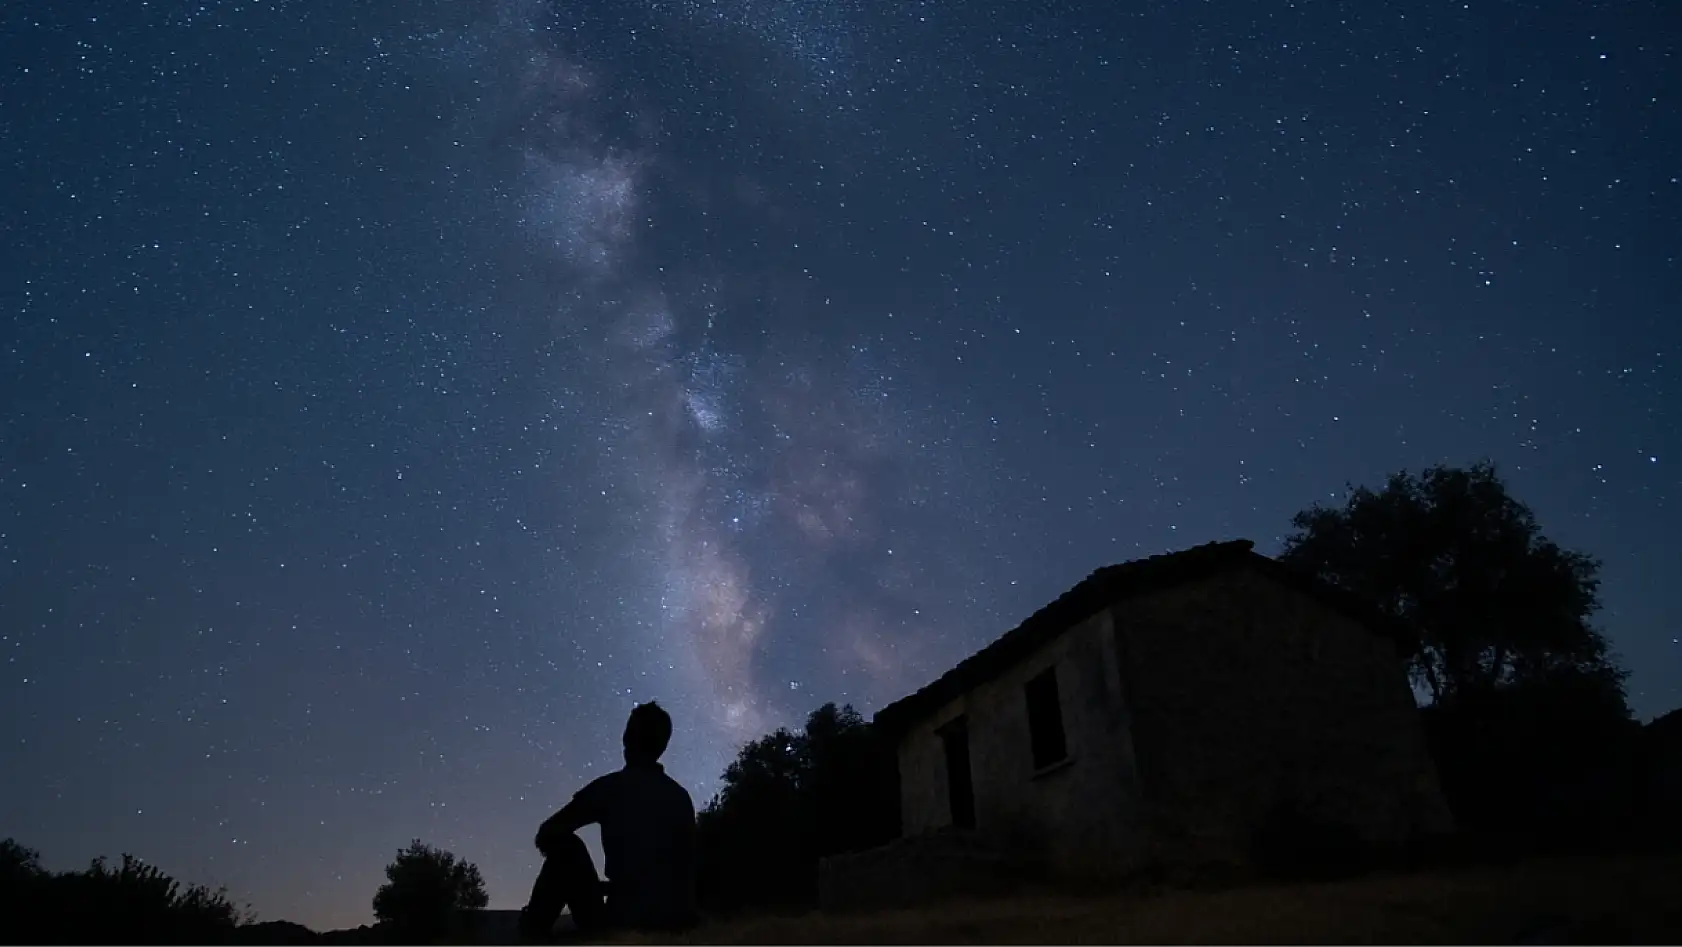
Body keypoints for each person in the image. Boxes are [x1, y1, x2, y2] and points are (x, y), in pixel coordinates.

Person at [519, 701, 698, 942]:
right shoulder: (681, 797)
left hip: (622, 920)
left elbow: (548, 832)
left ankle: (532, 937)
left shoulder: (610, 788)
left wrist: (588, 887)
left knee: (567, 849)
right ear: (662, 745)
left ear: (626, 738)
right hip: (673, 920)